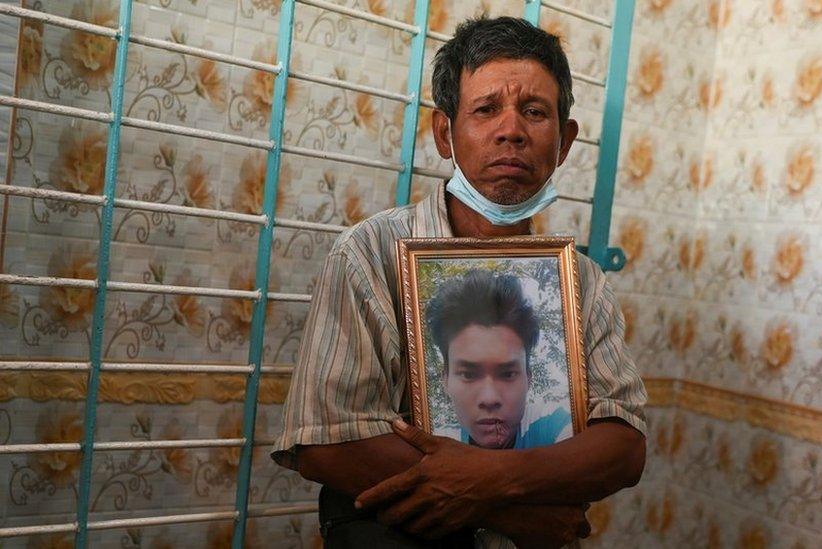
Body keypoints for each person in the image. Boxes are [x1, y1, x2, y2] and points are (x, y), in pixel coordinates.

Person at [272, 16, 647, 549]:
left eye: (535, 112)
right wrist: (513, 513)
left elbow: (624, 446)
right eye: (487, 108)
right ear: (445, 133)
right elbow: (325, 442)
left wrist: (490, 484)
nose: (512, 129)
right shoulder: (370, 252)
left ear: (563, 142)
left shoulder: (579, 281)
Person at [426, 269, 571, 449]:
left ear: (529, 377)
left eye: (508, 374)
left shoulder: (556, 426)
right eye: (468, 375)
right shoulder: (437, 441)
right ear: (445, 380)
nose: (489, 398)